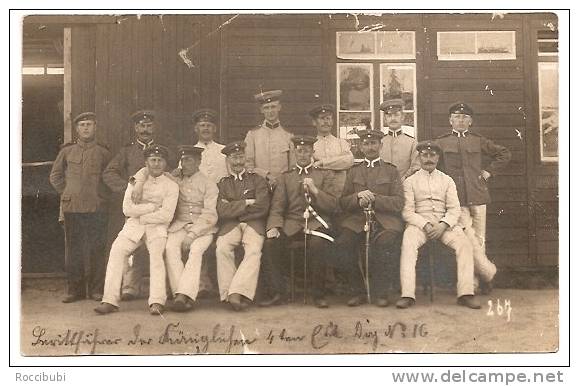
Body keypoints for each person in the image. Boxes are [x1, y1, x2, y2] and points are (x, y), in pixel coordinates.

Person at [435, 102, 511, 292]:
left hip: (478, 196)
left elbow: (504, 153)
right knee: (467, 241)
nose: (460, 120)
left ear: (470, 121)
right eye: (457, 117)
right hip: (456, 200)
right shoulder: (441, 142)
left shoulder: (478, 140)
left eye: (464, 117)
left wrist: (488, 172)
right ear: (450, 120)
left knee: (479, 240)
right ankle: (486, 275)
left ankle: (478, 282)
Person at [94, 145, 179, 315]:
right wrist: (152, 207)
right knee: (116, 251)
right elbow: (127, 208)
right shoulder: (135, 181)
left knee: (156, 257)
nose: (156, 164)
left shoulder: (171, 185)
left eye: (160, 161)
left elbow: (167, 215)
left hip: (157, 228)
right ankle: (109, 300)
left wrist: (144, 215)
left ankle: (157, 301)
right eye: (152, 160)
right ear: (146, 162)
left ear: (165, 163)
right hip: (133, 227)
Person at [396, 141, 480, 309]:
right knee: (408, 242)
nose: (429, 159)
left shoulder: (447, 180)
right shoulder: (410, 181)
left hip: (445, 225)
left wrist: (443, 225)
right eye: (425, 155)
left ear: (438, 157)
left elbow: (454, 209)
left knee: (465, 244)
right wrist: (425, 224)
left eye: (432, 155)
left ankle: (466, 293)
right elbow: (407, 211)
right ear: (419, 157)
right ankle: (407, 294)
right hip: (420, 225)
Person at [260, 136, 338, 308]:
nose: (303, 154)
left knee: (318, 244)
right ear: (295, 152)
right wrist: (274, 226)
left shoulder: (324, 175)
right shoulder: (286, 177)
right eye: (300, 151)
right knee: (271, 244)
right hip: (293, 224)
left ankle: (319, 294)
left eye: (307, 151)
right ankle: (279, 292)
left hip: (317, 223)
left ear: (312, 152)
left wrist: (315, 190)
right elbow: (277, 207)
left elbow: (333, 205)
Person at [335, 129, 404, 307]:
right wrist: (357, 197)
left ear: (381, 146)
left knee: (385, 243)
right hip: (358, 220)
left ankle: (381, 292)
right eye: (366, 143)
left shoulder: (391, 171)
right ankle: (357, 290)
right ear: (360, 147)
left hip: (385, 220)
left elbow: (398, 203)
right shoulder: (353, 171)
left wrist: (376, 198)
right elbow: (343, 202)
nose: (370, 147)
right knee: (343, 243)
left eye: (374, 143)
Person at [49, 112, 112, 303]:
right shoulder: (66, 152)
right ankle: (75, 290)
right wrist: (67, 193)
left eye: (89, 124)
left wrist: (102, 197)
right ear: (76, 129)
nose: (86, 128)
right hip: (73, 207)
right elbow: (55, 176)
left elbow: (110, 177)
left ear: (95, 127)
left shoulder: (103, 152)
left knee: (97, 249)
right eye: (82, 125)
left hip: (96, 207)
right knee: (74, 250)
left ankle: (96, 290)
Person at [102, 110, 156, 301]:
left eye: (149, 126)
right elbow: (109, 173)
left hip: (158, 206)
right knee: (133, 246)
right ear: (135, 128)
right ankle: (130, 286)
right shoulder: (127, 151)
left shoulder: (163, 151)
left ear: (154, 128)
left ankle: (163, 289)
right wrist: (129, 189)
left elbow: (175, 172)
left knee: (159, 245)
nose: (145, 130)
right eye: (142, 126)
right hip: (134, 208)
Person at [163, 145, 219, 312]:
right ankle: (181, 294)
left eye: (188, 160)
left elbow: (210, 214)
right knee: (170, 248)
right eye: (182, 160)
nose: (184, 164)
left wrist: (193, 233)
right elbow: (150, 172)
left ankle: (183, 295)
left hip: (203, 228)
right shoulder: (176, 180)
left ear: (198, 162)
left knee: (195, 251)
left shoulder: (209, 184)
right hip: (180, 224)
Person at [215, 141, 270, 311]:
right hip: (231, 225)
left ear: (246, 158)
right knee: (222, 248)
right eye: (234, 158)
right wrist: (246, 203)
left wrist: (234, 207)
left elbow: (262, 207)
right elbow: (221, 210)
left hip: (254, 223)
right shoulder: (223, 184)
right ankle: (227, 294)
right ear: (228, 160)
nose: (238, 162)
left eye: (240, 157)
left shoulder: (258, 180)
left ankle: (236, 292)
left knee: (253, 249)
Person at [190, 108, 228, 296]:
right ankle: (202, 282)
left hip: (221, 205)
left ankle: (222, 285)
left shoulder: (223, 151)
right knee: (199, 238)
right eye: (202, 125)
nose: (205, 128)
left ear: (214, 129)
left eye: (209, 126)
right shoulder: (190, 153)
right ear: (196, 129)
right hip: (198, 207)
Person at [244, 89, 295, 187]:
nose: (270, 111)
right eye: (266, 108)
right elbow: (248, 164)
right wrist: (266, 175)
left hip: (283, 186)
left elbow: (293, 166)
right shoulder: (252, 135)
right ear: (261, 110)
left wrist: (282, 181)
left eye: (273, 107)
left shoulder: (288, 135)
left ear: (279, 107)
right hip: (259, 185)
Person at [310, 103, 354, 195]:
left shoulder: (341, 143)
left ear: (332, 122)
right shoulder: (311, 145)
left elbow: (348, 161)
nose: (326, 122)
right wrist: (337, 162)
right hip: (319, 193)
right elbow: (311, 166)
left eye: (328, 118)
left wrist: (322, 163)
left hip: (339, 193)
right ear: (314, 122)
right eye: (322, 118)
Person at [379, 98, 420, 180]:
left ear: (402, 117)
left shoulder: (412, 143)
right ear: (385, 119)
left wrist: (404, 178)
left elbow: (416, 167)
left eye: (396, 115)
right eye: (389, 115)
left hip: (405, 186)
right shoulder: (379, 142)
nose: (393, 118)